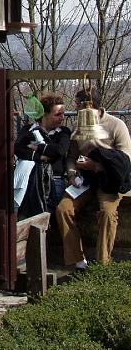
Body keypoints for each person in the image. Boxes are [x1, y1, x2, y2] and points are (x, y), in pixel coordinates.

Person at [56, 87, 131, 270]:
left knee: (107, 212)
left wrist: (97, 166)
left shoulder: (116, 125)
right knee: (63, 209)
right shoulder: (79, 126)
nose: (74, 108)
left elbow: (125, 159)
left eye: (76, 104)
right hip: (85, 180)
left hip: (110, 181)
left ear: (87, 106)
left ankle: (102, 263)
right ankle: (78, 261)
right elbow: (72, 157)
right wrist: (72, 173)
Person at [13, 92, 71, 219]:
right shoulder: (29, 130)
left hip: (54, 180)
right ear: (44, 114)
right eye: (57, 114)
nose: (62, 118)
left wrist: (38, 147)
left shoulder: (63, 132)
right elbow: (18, 148)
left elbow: (59, 151)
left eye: (63, 114)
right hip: (30, 179)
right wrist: (41, 157)